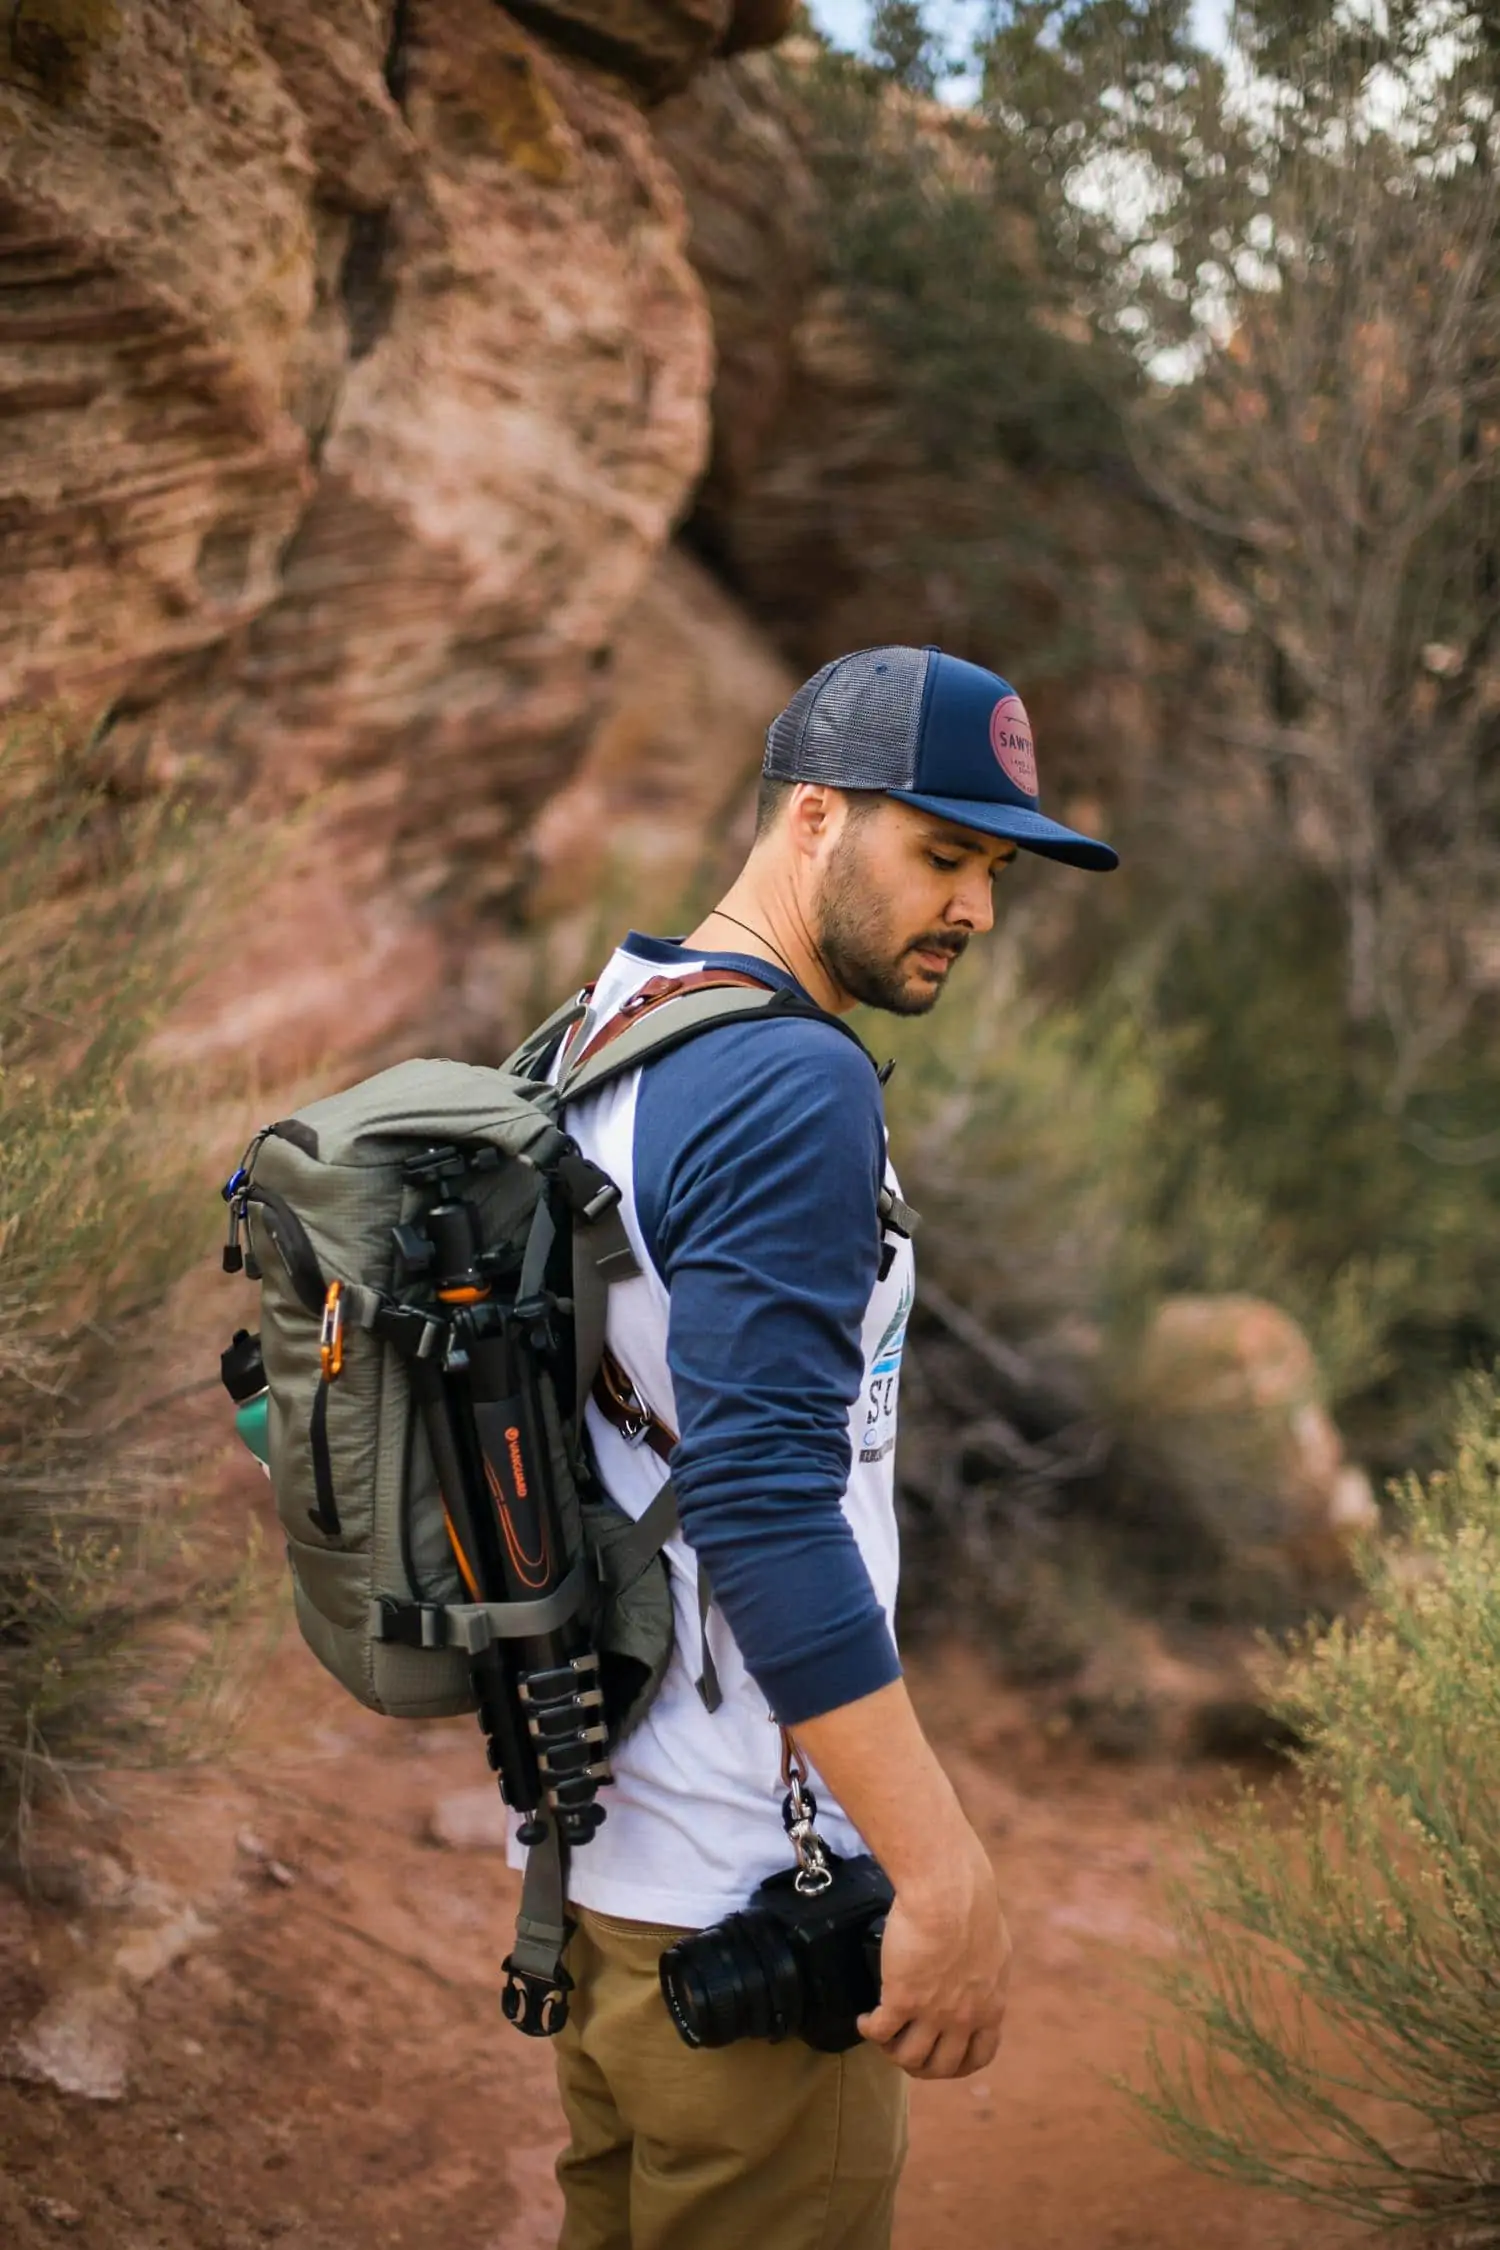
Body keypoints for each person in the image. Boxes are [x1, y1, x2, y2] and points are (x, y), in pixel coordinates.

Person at [524, 644, 1118, 2250]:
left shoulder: (614, 1021)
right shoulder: (787, 1082)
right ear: (811, 818)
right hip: (747, 1900)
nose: (977, 909)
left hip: (602, 1875)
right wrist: (940, 1870)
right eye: (941, 853)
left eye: (993, 868)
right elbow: (771, 1507)